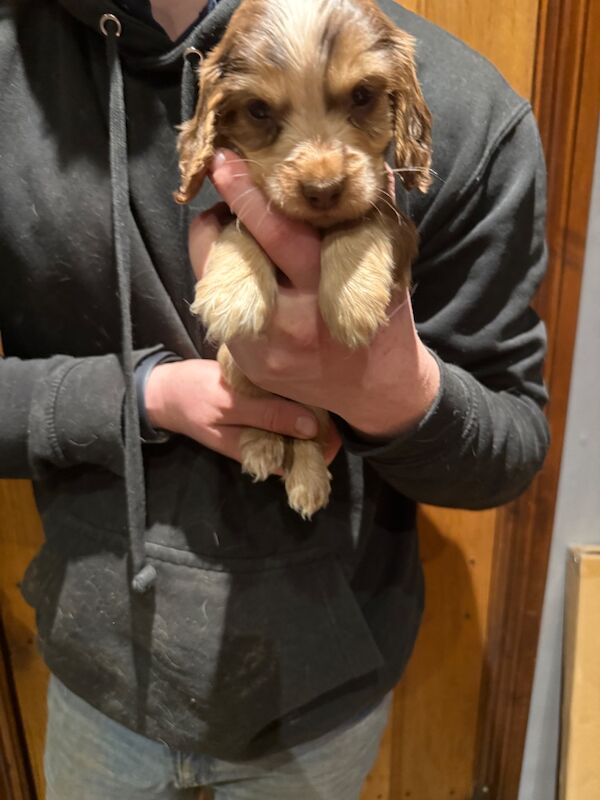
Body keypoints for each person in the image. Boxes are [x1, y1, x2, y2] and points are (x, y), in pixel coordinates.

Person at [0, 0, 550, 797]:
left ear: (396, 97)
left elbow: (509, 449)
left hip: (323, 700)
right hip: (101, 676)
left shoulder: (471, 110)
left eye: (360, 100)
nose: (323, 172)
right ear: (218, 108)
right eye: (261, 114)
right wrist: (144, 396)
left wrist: (397, 393)